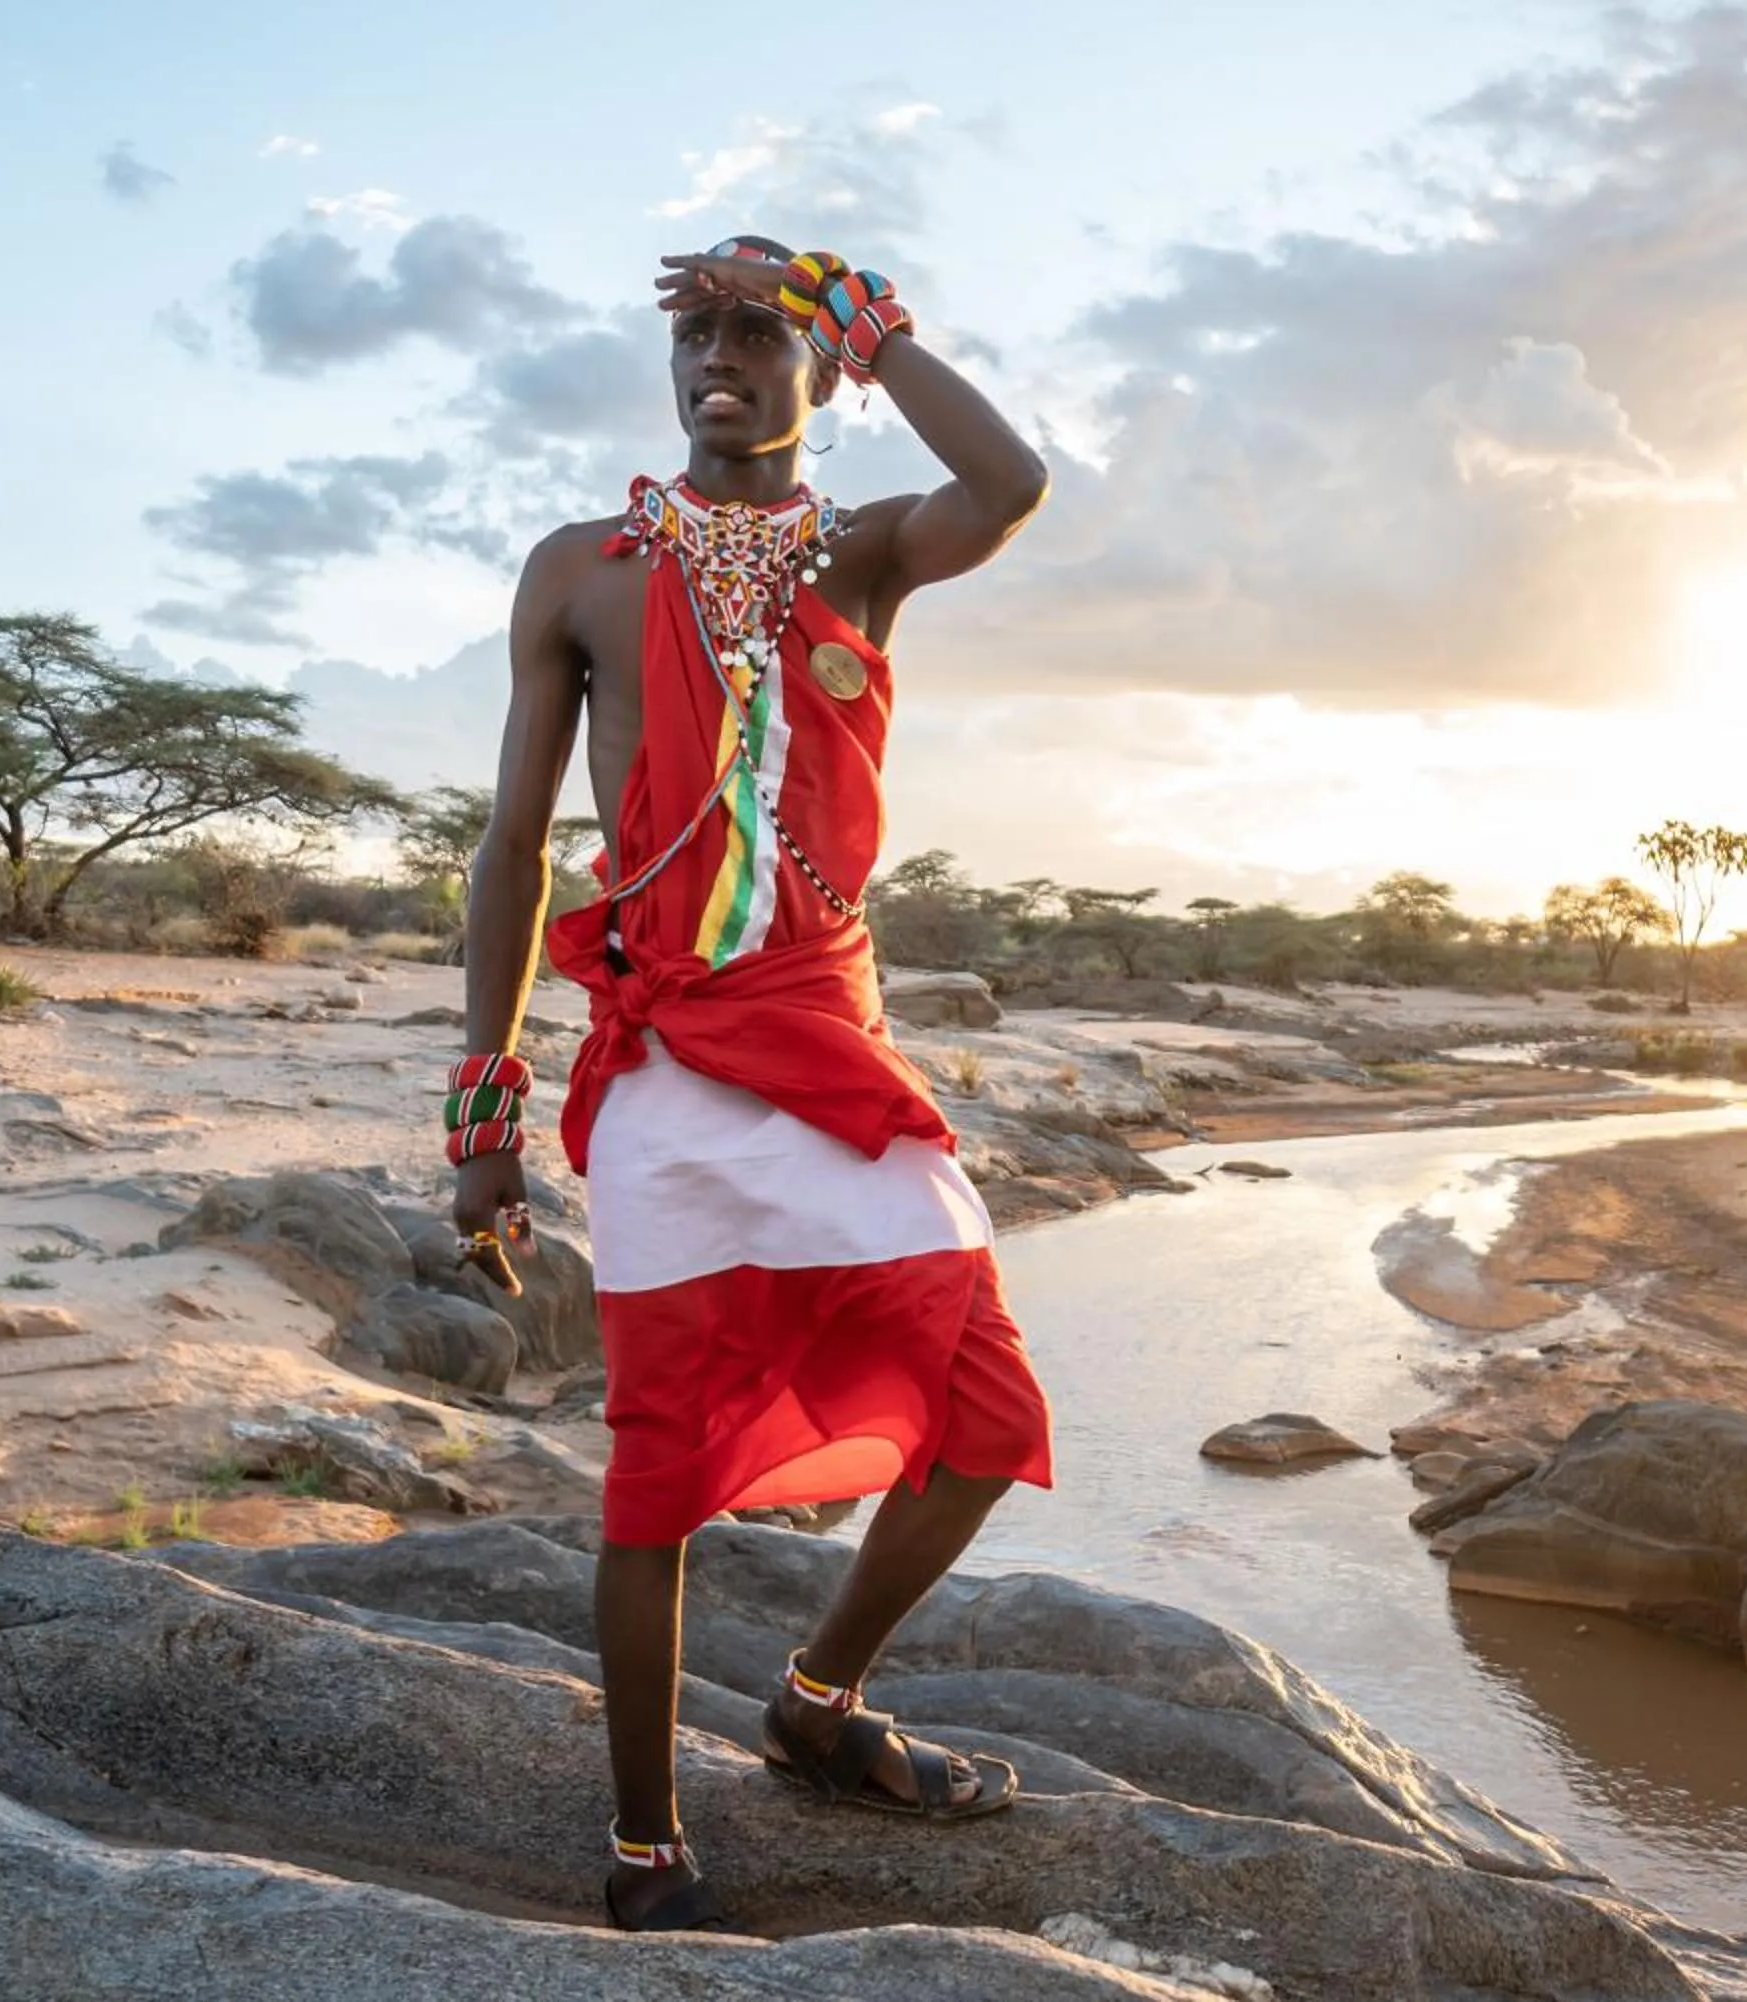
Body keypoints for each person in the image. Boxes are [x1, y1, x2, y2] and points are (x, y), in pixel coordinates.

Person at [447, 236, 1056, 1933]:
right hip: (664, 1063)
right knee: (655, 1468)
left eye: (753, 336)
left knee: (988, 1416)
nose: (717, 357)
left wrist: (857, 307)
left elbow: (1009, 483)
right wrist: (486, 1108)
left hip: (828, 1043)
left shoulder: (864, 553)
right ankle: (647, 1843)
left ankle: (816, 1698)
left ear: (814, 374)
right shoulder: (578, 570)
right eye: (695, 335)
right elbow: (513, 847)